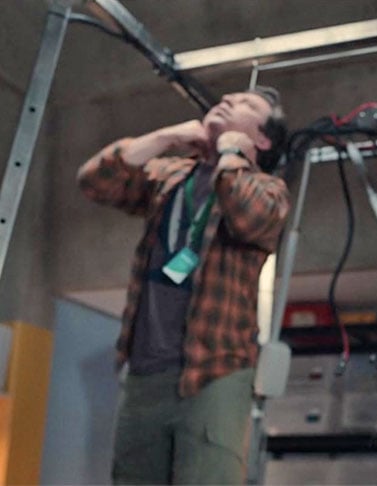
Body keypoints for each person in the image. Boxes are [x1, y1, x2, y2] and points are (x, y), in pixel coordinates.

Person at [77, 86, 290, 484]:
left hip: (214, 372)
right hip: (144, 373)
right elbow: (95, 182)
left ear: (262, 139)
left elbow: (250, 217)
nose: (227, 101)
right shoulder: (172, 174)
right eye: (227, 98)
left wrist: (231, 153)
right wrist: (165, 137)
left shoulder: (268, 190)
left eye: (245, 104)